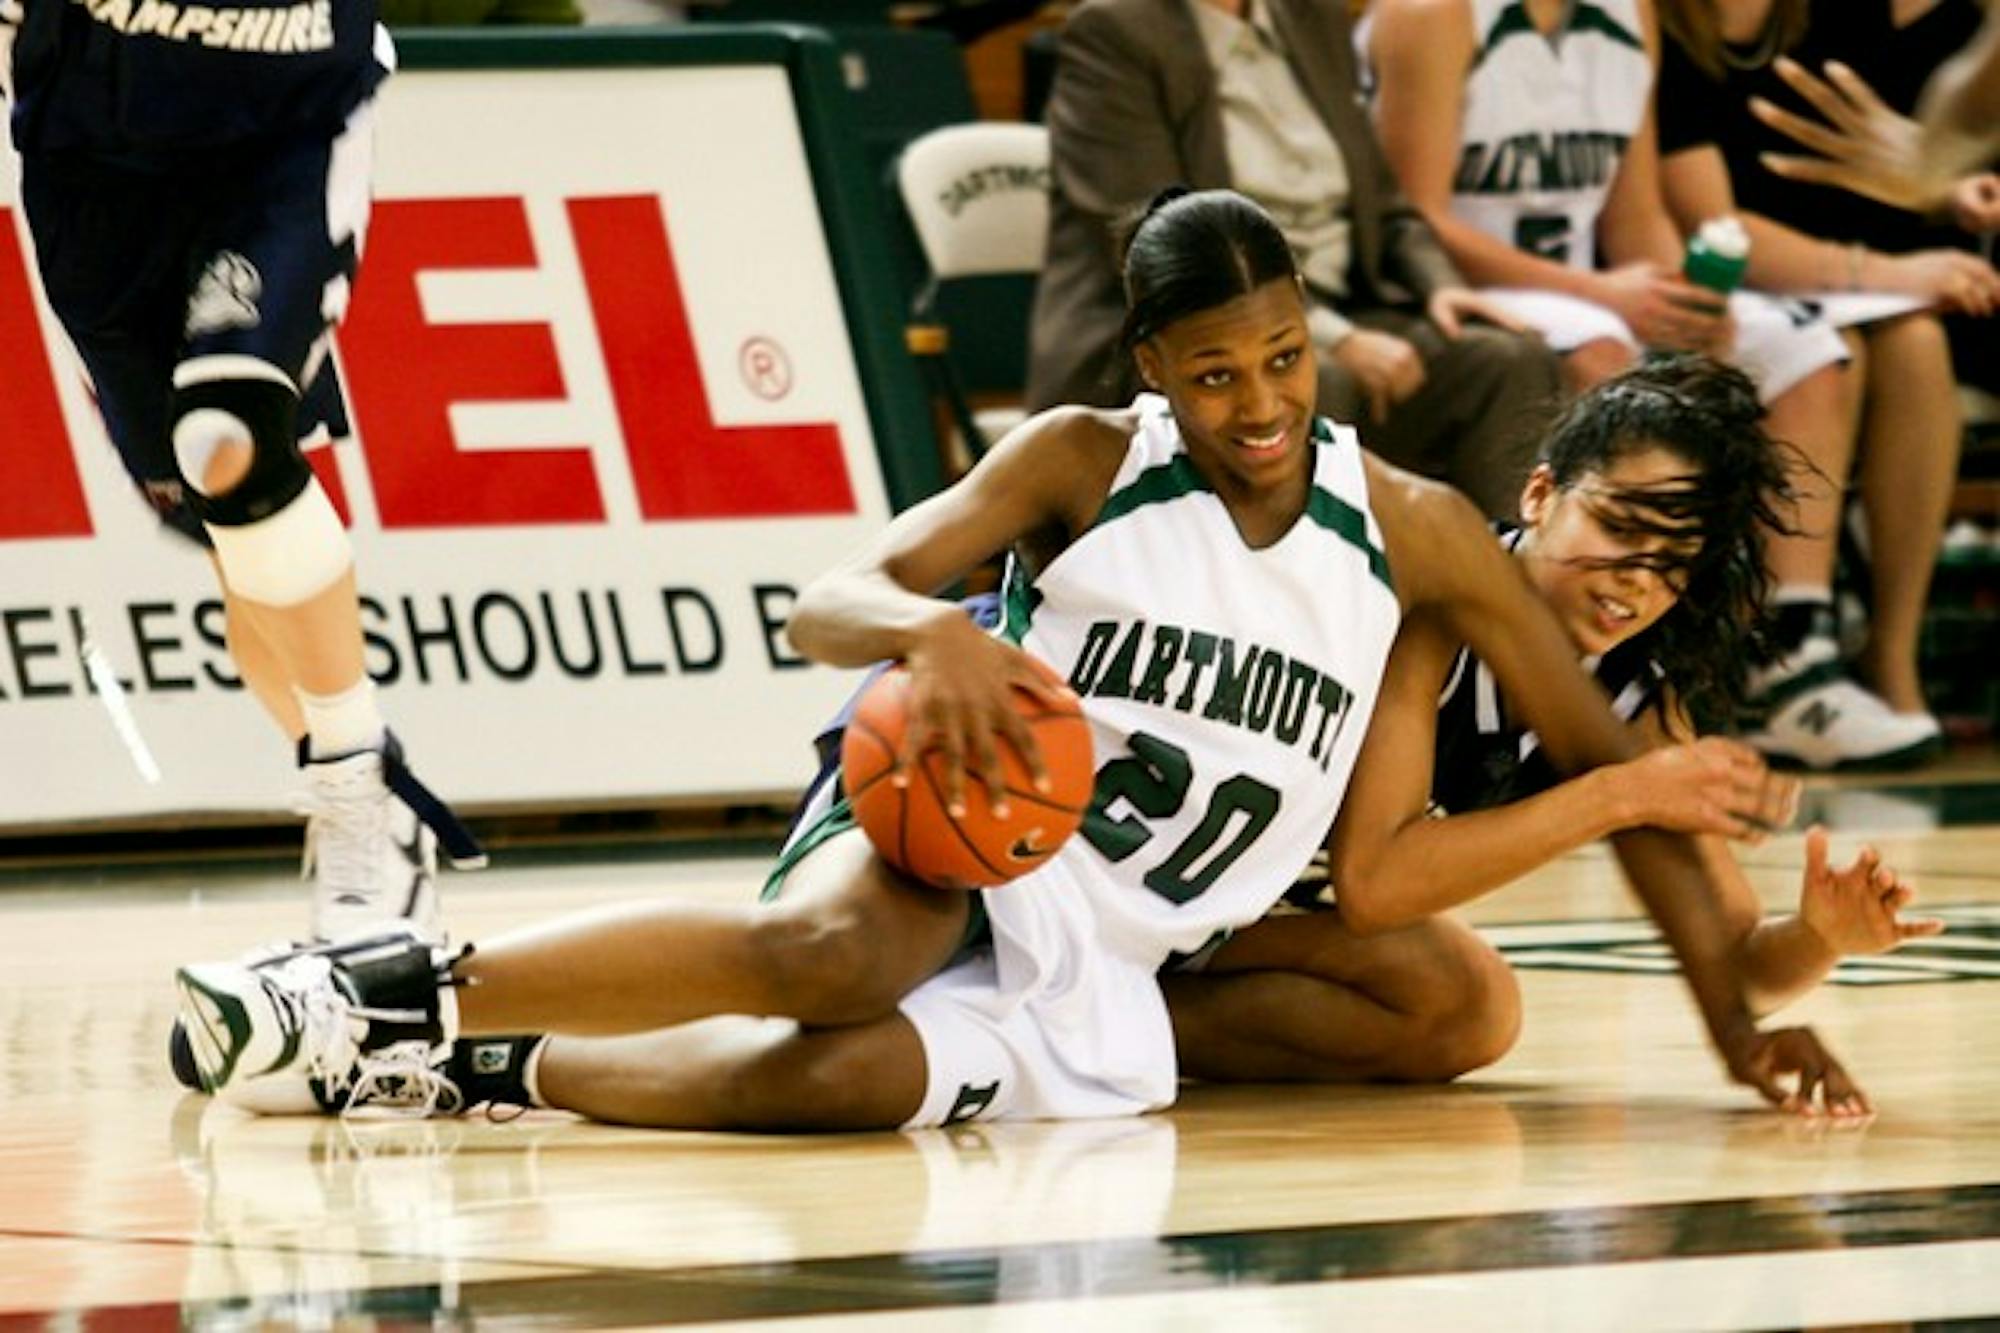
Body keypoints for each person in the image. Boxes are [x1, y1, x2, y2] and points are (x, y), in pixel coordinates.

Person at [172, 190, 1860, 1131]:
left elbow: (1619, 781)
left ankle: (479, 1063)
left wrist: (1744, 1014)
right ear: (1155, 370)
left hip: (1135, 938)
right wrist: (929, 634)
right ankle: (382, 982)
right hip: (985, 814)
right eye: (1216, 377)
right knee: (831, 958)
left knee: (841, 1082)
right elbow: (829, 593)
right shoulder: (1079, 457)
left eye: (1283, 361)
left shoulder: (1403, 524)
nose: (1260, 406)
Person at [1163, 354, 1941, 1094]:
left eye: (1673, 559)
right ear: (1540, 494)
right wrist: (1618, 795)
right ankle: (1095, 1015)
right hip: (1152, 857)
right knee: (1468, 989)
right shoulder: (1434, 601)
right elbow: (1376, 882)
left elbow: (1732, 964)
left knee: (1465, 1010)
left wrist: (1821, 938)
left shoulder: (1638, 696)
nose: (1636, 581)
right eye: (1619, 529)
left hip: (1251, 895)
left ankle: (1121, 1029)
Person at [2, 0, 483, 938]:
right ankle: (360, 781)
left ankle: (354, 788)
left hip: (281, 133)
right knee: (230, 544)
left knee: (230, 444)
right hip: (89, 171)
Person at [1027, 0, 1562, 520]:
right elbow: (1155, 232)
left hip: (1352, 302)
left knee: (1508, 361)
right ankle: (1305, 596)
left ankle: (1497, 589)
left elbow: (1383, 199)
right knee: (1306, 376)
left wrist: (1439, 284)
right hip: (1196, 328)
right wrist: (1331, 336)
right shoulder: (1115, 30)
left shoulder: (1312, 15)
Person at [1652, 0, 1996, 770]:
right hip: (1735, 279)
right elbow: (1709, 226)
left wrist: (1943, 193)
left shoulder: (1836, 21)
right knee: (1838, 342)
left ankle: (1888, 653)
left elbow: (1915, 158)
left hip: (1845, 274)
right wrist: (1901, 257)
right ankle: (1788, 650)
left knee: (1914, 341)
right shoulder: (1657, 31)